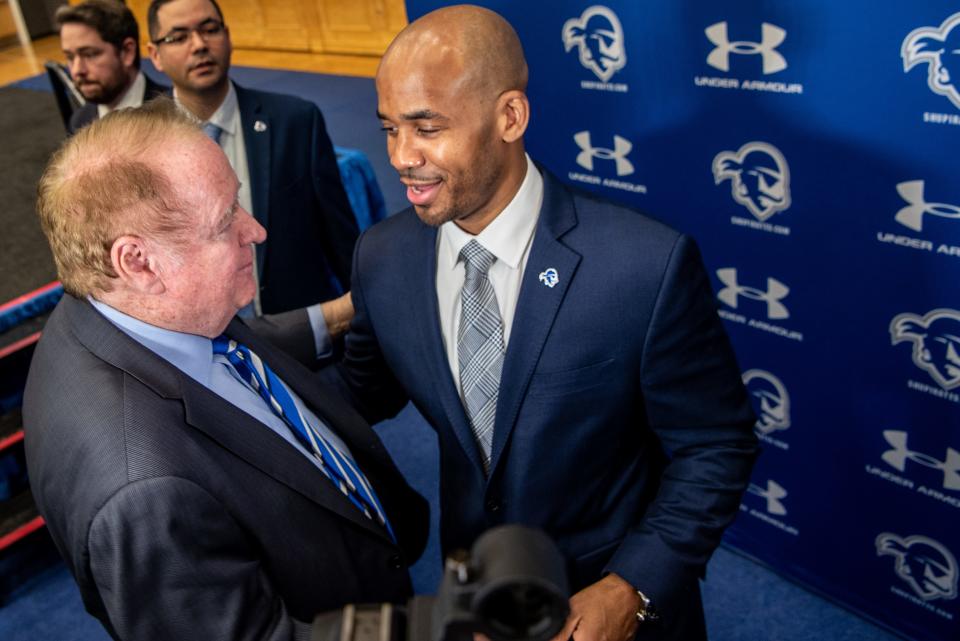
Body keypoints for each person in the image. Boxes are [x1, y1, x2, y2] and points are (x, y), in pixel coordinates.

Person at [324, 5, 759, 640]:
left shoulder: (645, 266)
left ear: (510, 117)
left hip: (609, 609)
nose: (400, 156)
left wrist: (630, 588)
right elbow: (363, 392)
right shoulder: (382, 256)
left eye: (426, 127)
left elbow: (716, 445)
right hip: (474, 600)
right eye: (390, 128)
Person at [23, 99, 427, 641]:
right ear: (138, 262)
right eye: (225, 220)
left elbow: (239, 344)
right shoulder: (145, 495)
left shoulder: (116, 308)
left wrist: (341, 313)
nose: (255, 230)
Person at [146, 0, 359, 316]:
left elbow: (341, 241)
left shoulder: (296, 122)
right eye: (178, 37)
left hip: (302, 334)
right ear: (155, 55)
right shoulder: (142, 144)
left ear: (228, 36)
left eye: (209, 30)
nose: (199, 45)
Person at [56, 0, 168, 134]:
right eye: (70, 57)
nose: (77, 70)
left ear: (127, 51)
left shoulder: (175, 114)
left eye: (90, 54)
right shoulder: (79, 122)